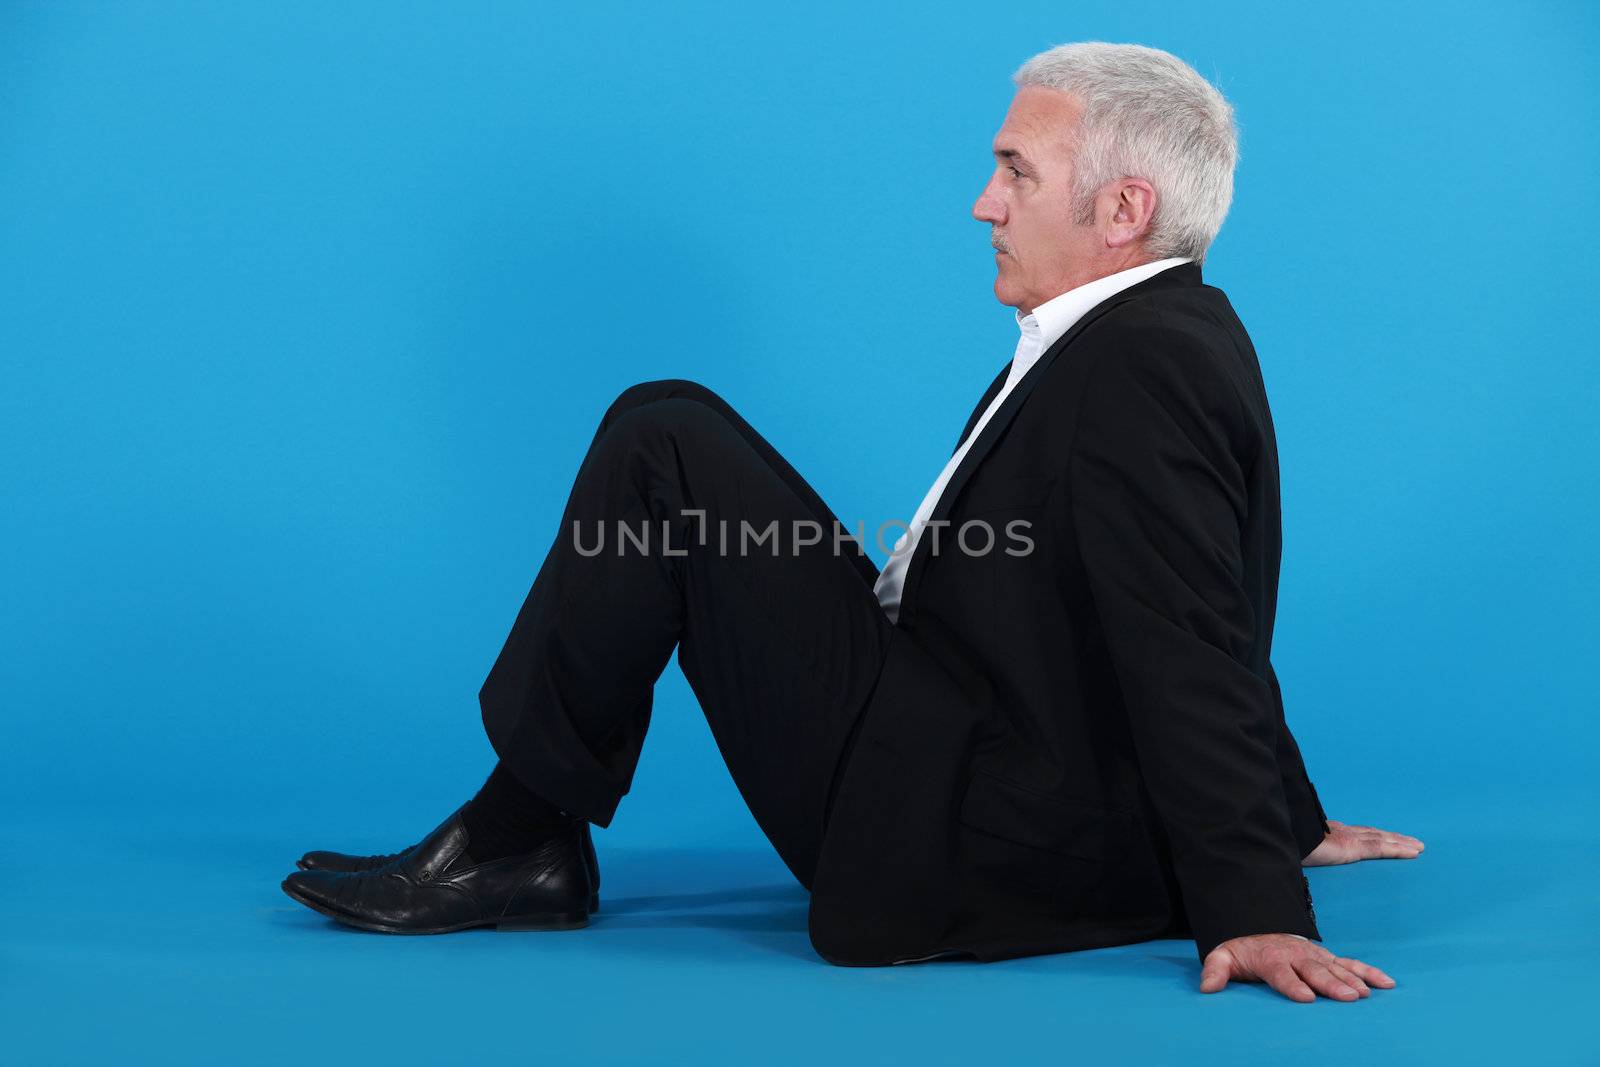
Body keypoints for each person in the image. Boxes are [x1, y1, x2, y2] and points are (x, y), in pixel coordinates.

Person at [282, 41, 1425, 1003]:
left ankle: (515, 836)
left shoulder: (1140, 365)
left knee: (663, 437)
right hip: (935, 719)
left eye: (1015, 172)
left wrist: (1254, 897)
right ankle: (523, 832)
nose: (985, 201)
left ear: (1123, 210)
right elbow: (1199, 598)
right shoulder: (1144, 334)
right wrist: (1289, 811)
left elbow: (1186, 631)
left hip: (955, 828)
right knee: (667, 435)